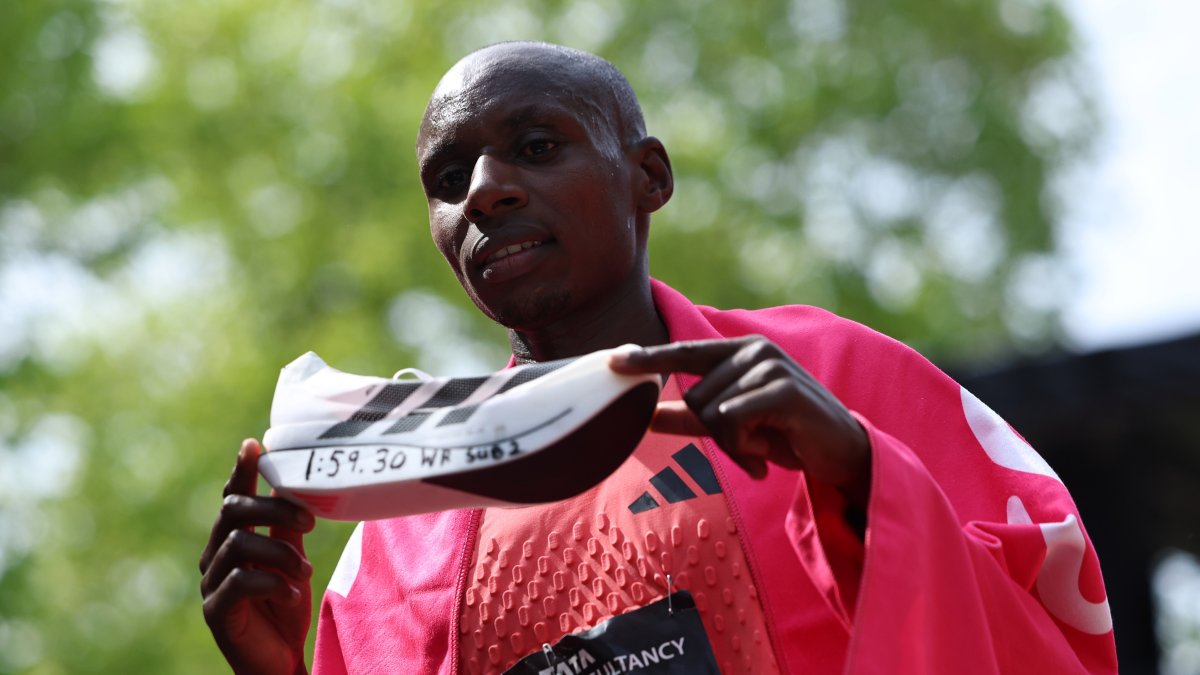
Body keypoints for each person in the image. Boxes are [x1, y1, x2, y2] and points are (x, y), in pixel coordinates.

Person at [199, 42, 1118, 674]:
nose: (484, 191)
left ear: (649, 176)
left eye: (535, 147)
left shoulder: (830, 375)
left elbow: (1047, 628)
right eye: (449, 179)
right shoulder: (400, 525)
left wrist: (860, 479)